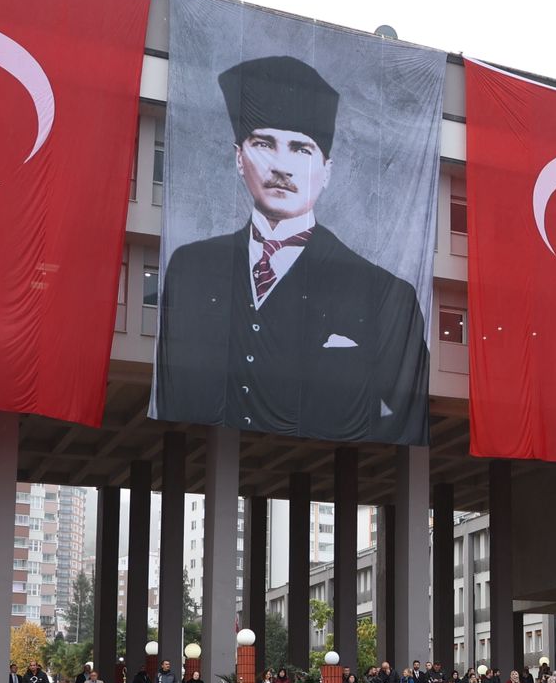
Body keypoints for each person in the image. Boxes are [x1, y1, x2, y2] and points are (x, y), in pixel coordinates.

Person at [154, 54, 428, 443]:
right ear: (238, 157)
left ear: (326, 171)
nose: (281, 166)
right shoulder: (192, 268)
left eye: (300, 149)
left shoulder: (384, 293)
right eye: (264, 144)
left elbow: (404, 409)